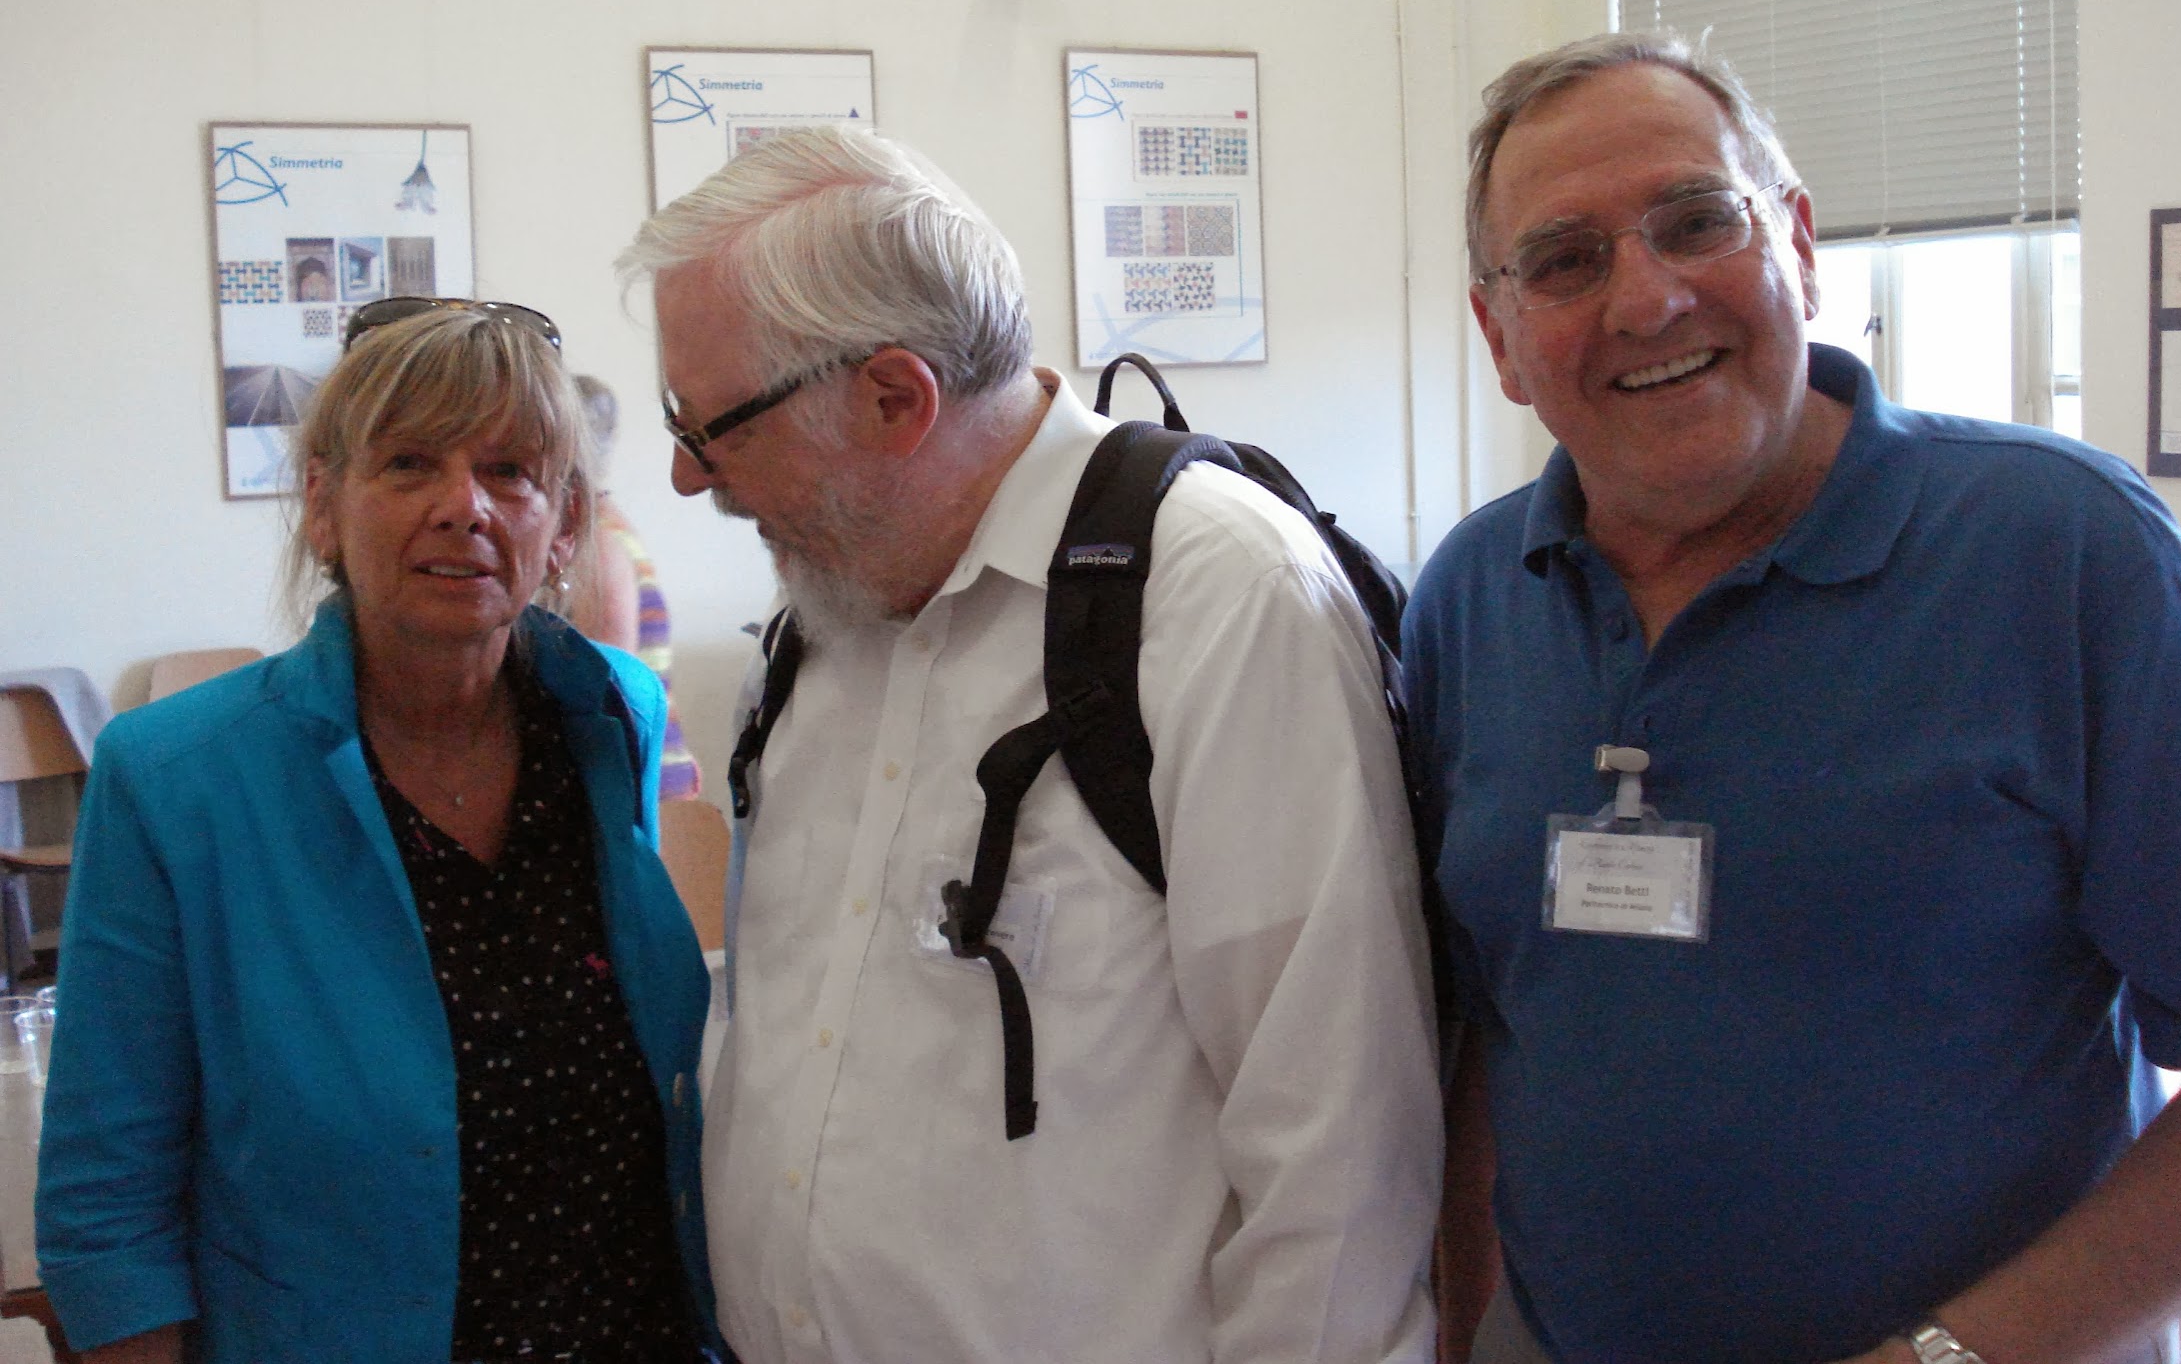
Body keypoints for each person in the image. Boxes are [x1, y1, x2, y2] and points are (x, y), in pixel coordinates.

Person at [1404, 31, 2181, 1364]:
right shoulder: (1472, 595)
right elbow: (1486, 1025)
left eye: (1695, 221)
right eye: (1564, 258)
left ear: (1802, 248)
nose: (1645, 300)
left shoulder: (2059, 555)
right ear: (1498, 336)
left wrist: (1945, 1357)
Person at [615, 125, 1442, 1364]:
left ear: (897, 396)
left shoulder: (1210, 592)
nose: (687, 476)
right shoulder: (815, 624)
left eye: (713, 424)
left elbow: (1335, 1156)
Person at [37, 300, 720, 1363]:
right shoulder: (175, 777)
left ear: (567, 523)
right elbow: (106, 1199)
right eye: (408, 464)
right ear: (322, 504)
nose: (464, 506)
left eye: (510, 470)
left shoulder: (610, 714)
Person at [569, 372, 704, 802]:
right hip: (650, 779)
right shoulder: (603, 528)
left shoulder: (594, 543)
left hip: (639, 790)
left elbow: (605, 692)